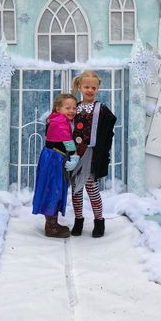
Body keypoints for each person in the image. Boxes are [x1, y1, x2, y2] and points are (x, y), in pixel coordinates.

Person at [70, 71, 117, 238]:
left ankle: (99, 221)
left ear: (98, 89)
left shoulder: (101, 108)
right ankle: (78, 220)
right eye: (86, 87)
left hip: (91, 154)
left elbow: (109, 126)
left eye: (93, 87)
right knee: (76, 189)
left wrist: (103, 148)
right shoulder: (74, 107)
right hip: (76, 153)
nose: (90, 90)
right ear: (80, 87)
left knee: (91, 187)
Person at [32, 93, 80, 238]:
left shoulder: (56, 118)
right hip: (54, 159)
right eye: (67, 108)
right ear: (58, 108)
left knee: (53, 188)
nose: (72, 111)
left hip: (53, 156)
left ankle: (52, 223)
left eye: (74, 108)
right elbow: (67, 141)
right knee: (54, 188)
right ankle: (51, 227)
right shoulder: (60, 121)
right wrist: (74, 156)